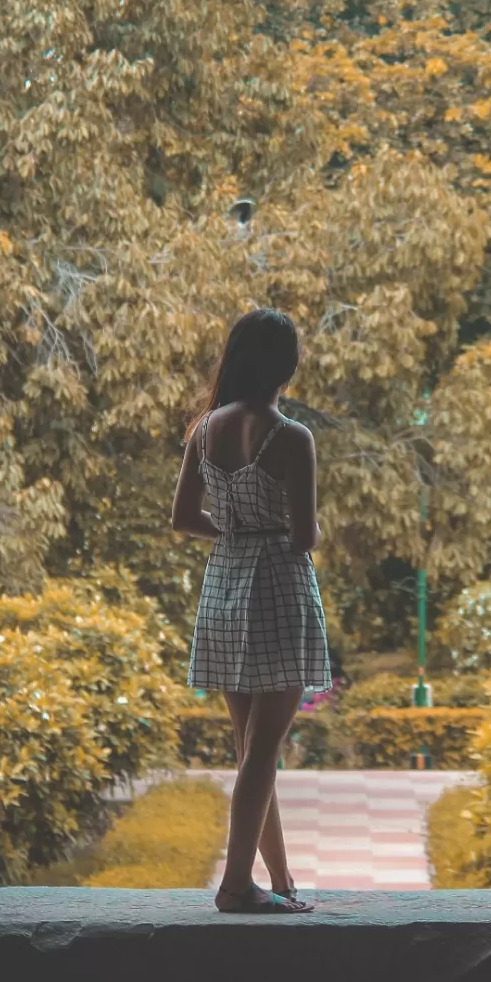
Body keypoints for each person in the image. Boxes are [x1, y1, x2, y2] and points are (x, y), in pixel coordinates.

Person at [171, 308, 330, 913]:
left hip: (225, 586)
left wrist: (234, 530)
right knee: (264, 750)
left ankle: (279, 880)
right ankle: (236, 886)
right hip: (278, 592)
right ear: (287, 366)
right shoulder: (291, 437)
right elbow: (303, 536)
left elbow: (185, 518)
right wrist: (288, 531)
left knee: (250, 751)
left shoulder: (204, 431)